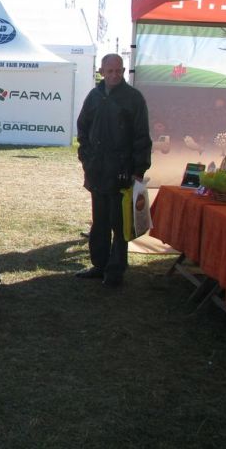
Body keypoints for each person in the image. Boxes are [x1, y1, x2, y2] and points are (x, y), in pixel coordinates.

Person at [76, 53, 152, 288]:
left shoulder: (133, 98)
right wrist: (86, 158)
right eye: (109, 71)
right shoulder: (94, 96)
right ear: (101, 71)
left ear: (123, 70)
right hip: (97, 170)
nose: (114, 75)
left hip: (122, 171)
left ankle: (115, 271)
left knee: (119, 224)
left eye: (118, 71)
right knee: (99, 222)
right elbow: (83, 128)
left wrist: (138, 169)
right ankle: (99, 266)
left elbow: (142, 136)